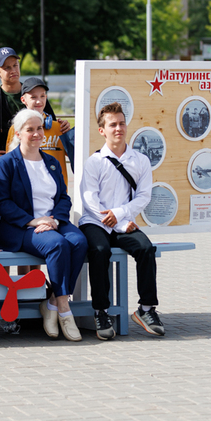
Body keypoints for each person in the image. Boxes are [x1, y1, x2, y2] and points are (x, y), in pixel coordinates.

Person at [0, 109, 87, 341]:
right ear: (18, 132)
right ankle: (65, 309)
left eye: (39, 129)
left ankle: (53, 302)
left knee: (78, 241)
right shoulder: (7, 163)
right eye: (30, 129)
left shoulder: (52, 162)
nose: (36, 134)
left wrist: (54, 219)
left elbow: (64, 197)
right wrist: (32, 220)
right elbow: (2, 202)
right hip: (21, 227)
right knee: (57, 245)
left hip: (52, 221)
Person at [79, 102, 164, 341]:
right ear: (102, 130)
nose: (118, 128)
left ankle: (146, 309)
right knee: (99, 249)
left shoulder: (140, 160)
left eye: (122, 123)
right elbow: (89, 200)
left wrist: (120, 214)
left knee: (146, 248)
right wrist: (116, 221)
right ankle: (101, 311)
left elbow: (144, 196)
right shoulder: (94, 162)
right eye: (112, 124)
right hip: (95, 222)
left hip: (123, 220)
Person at [0, 47, 65, 153]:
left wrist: (63, 126)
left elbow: (51, 124)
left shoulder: (33, 94)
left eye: (15, 65)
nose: (13, 70)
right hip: (4, 162)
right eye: (7, 68)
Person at [5, 77, 74, 184]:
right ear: (23, 100)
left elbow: (75, 156)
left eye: (42, 96)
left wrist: (70, 135)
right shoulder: (15, 129)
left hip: (57, 193)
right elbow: (9, 161)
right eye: (33, 97)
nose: (39, 101)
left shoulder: (59, 127)